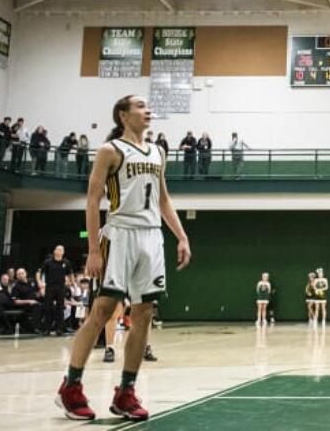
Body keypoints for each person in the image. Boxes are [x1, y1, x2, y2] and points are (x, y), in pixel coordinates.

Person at [56, 95, 192, 421]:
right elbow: (92, 200)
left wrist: (182, 236)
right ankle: (71, 386)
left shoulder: (158, 151)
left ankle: (126, 392)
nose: (148, 111)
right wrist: (91, 249)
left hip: (151, 236)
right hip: (119, 233)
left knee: (144, 313)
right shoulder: (110, 151)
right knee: (103, 309)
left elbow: (163, 199)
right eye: (141, 106)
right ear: (123, 115)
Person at [39, 245, 73, 335]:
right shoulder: (48, 262)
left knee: (60, 308)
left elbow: (70, 273)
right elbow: (39, 272)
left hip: (61, 287)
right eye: (58, 249)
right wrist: (40, 282)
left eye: (62, 250)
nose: (60, 251)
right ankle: (47, 329)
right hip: (50, 287)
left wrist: (71, 282)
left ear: (63, 252)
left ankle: (59, 329)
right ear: (54, 251)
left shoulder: (66, 262)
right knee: (48, 307)